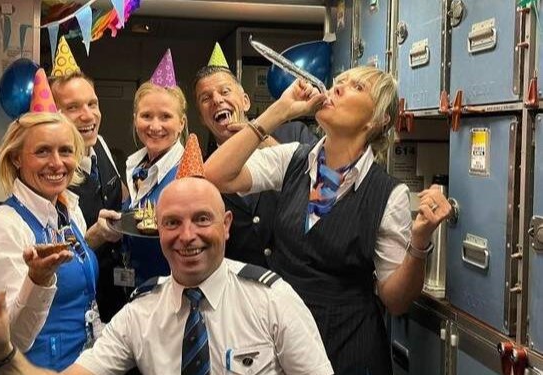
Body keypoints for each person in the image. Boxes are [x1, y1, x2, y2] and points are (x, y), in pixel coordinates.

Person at [204, 66, 452, 374]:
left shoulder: (388, 194)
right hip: (282, 341)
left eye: (356, 87)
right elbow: (215, 175)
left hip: (348, 349)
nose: (336, 88)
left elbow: (395, 300)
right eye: (337, 83)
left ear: (377, 120)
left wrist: (419, 241)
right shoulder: (292, 159)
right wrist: (279, 112)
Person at [0, 177, 335, 375]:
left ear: (226, 225)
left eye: (202, 219)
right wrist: (4, 356)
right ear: (158, 232)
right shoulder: (141, 314)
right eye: (172, 223)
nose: (187, 236)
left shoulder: (272, 300)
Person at [0, 70, 100, 372]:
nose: (56, 163)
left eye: (65, 151)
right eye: (42, 151)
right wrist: (37, 280)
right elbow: (12, 339)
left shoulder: (68, 209)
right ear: (16, 158)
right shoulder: (1, 227)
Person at [193, 43, 319, 266]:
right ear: (202, 118)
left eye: (224, 91)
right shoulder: (203, 171)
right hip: (241, 289)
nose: (216, 100)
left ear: (245, 101)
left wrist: (259, 136)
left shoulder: (295, 133)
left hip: (297, 282)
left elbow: (321, 185)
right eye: (205, 98)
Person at [49, 70, 128, 322]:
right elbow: (53, 260)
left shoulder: (101, 145)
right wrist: (93, 236)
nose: (88, 115)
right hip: (81, 304)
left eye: (92, 104)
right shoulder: (51, 176)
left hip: (119, 292)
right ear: (55, 115)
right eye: (73, 107)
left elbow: (121, 191)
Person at [120, 49, 187, 287]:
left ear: (181, 124)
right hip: (133, 292)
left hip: (171, 296)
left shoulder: (189, 173)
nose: (155, 126)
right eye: (146, 115)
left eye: (165, 117)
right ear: (135, 118)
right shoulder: (132, 167)